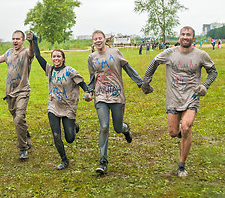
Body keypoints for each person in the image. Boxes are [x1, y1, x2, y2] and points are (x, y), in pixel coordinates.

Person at [141, 26, 217, 177]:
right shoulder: (170, 53)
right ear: (179, 37)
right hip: (173, 98)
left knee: (186, 127)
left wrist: (205, 86)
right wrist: (146, 82)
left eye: (189, 35)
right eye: (183, 34)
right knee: (173, 132)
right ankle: (183, 137)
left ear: (193, 39)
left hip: (192, 97)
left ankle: (181, 165)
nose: (185, 37)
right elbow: (154, 62)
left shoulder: (201, 55)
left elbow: (213, 71)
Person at [87, 30, 143, 175]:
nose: (98, 41)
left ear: (105, 39)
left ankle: (125, 129)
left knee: (117, 128)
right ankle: (103, 162)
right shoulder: (91, 57)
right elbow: (92, 78)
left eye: (100, 38)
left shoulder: (116, 52)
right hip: (100, 96)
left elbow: (128, 69)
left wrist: (140, 83)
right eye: (95, 39)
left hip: (117, 95)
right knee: (104, 126)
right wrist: (90, 91)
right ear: (93, 41)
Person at [30, 32, 88, 170]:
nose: (56, 58)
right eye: (54, 56)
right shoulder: (50, 70)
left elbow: (82, 82)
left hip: (68, 107)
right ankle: (64, 159)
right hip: (53, 105)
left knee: (70, 138)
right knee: (56, 134)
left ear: (63, 58)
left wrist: (87, 91)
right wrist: (34, 40)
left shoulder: (70, 71)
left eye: (58, 56)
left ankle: (74, 126)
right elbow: (38, 56)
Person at [0, 30, 34, 160]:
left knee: (19, 118)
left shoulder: (26, 53)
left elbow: (32, 51)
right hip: (9, 91)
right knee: (17, 118)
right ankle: (26, 137)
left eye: (18, 39)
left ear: (23, 40)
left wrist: (32, 41)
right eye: (13, 39)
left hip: (22, 90)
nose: (15, 41)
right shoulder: (9, 52)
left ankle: (22, 148)